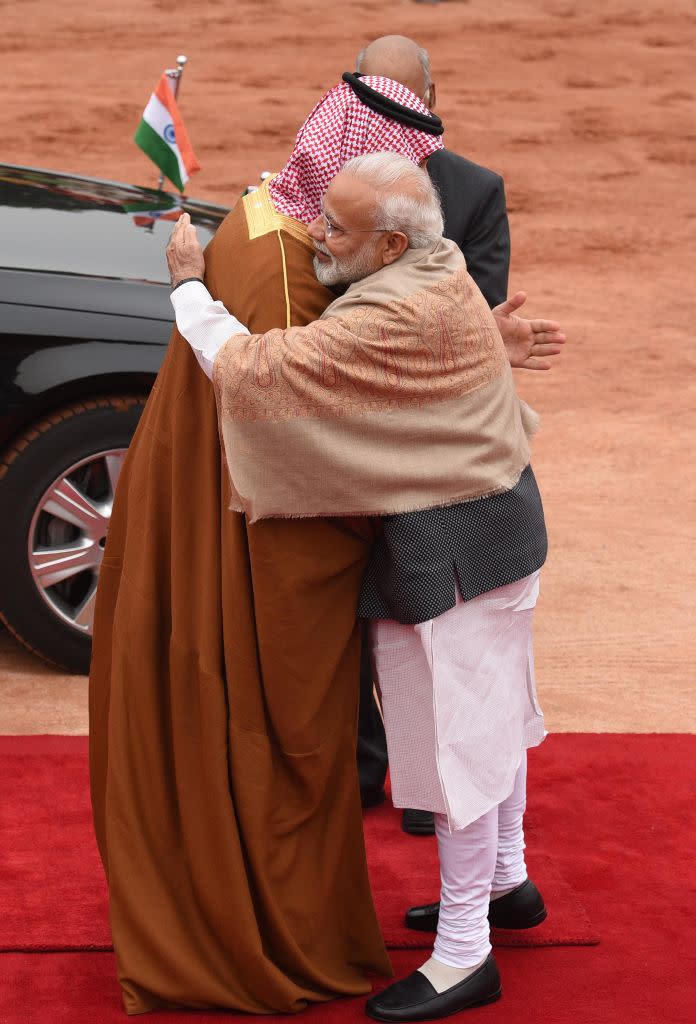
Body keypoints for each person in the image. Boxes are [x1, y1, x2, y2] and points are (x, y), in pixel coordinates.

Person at [90, 74, 562, 1015]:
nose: (318, 242)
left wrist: (187, 283)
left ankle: (466, 954)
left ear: (391, 241)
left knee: (450, 753)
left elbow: (257, 369)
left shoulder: (391, 305)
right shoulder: (439, 265)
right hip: (499, 530)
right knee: (496, 718)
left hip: (449, 552)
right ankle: (510, 883)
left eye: (338, 235)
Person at [353, 36, 515, 830]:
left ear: (431, 98)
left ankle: (435, 795)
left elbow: (473, 322)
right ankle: (359, 773)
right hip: (346, 440)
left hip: (439, 456)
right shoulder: (321, 184)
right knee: (355, 612)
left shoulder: (474, 190)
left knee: (433, 627)